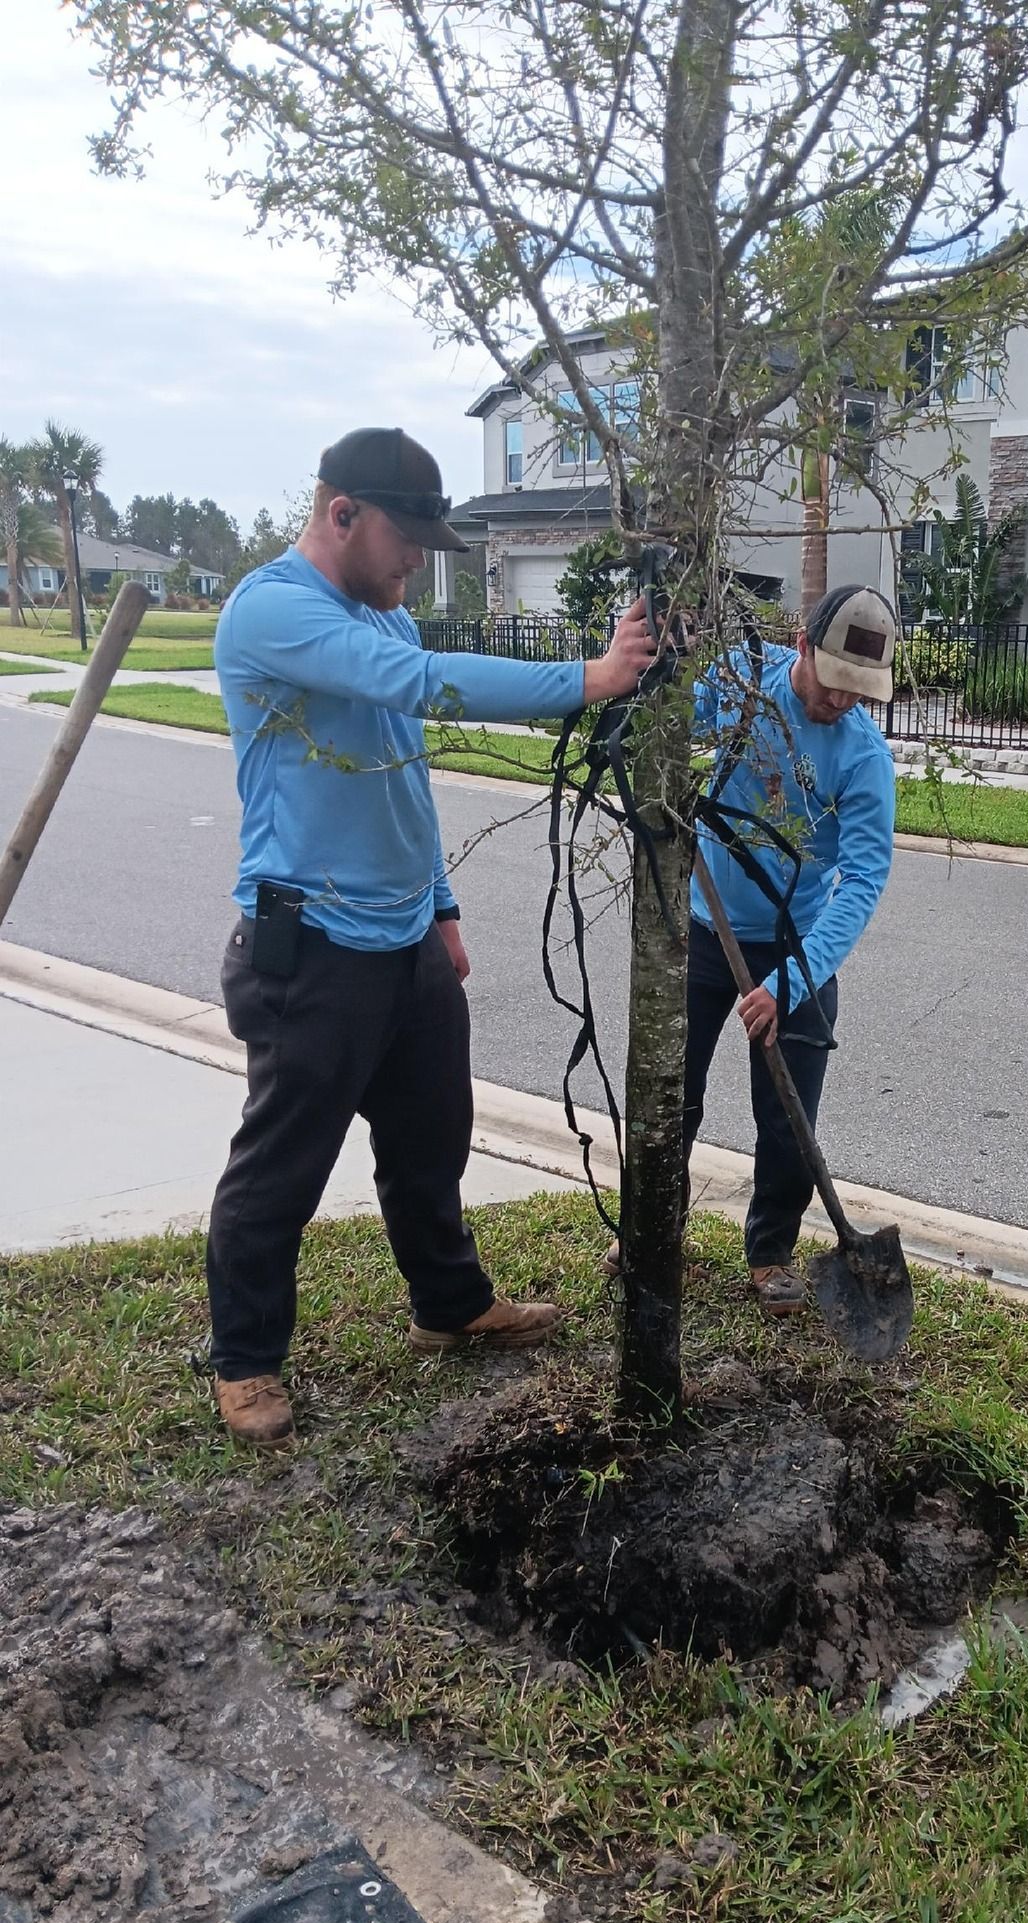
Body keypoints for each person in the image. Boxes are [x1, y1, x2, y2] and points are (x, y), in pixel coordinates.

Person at [207, 427, 654, 1446]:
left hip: (405, 935)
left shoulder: (381, 617)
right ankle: (245, 1358)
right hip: (311, 941)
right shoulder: (275, 610)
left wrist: (442, 908)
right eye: (405, 537)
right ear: (341, 516)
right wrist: (587, 678)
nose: (417, 558)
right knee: (281, 1163)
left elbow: (402, 776)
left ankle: (449, 1305)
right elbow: (420, 688)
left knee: (430, 1141)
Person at [630, 583, 898, 1314]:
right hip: (703, 931)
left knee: (789, 1115)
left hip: (798, 944)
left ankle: (771, 1251)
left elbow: (863, 879)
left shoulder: (863, 756)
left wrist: (791, 982)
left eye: (860, 692)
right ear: (804, 647)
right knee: (670, 1100)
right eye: (836, 682)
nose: (843, 702)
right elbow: (676, 748)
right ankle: (654, 1230)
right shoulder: (740, 678)